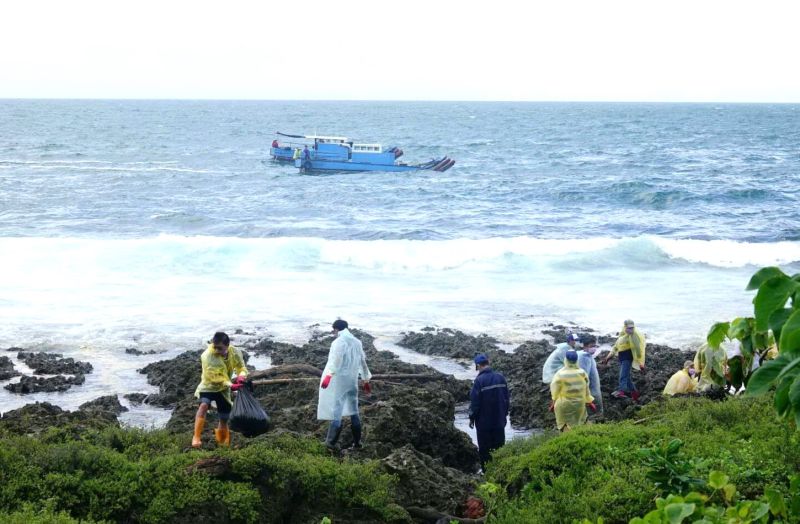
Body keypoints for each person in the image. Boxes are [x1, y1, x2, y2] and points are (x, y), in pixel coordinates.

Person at [318, 319, 372, 451]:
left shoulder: (338, 342)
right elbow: (362, 362)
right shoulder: (357, 342)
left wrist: (328, 376)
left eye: (333, 330)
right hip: (352, 382)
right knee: (354, 411)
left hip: (340, 382)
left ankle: (330, 442)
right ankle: (358, 443)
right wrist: (365, 380)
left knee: (337, 412)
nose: (333, 333)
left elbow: (336, 360)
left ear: (336, 329)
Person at [192, 332, 248, 448]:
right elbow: (215, 377)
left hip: (223, 390)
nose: (217, 350)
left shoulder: (235, 352)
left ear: (227, 345)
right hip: (208, 386)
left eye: (220, 348)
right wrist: (231, 385)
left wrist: (241, 375)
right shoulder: (208, 356)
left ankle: (222, 443)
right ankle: (196, 437)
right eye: (215, 347)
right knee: (204, 405)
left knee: (224, 418)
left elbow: (241, 367)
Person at [469, 353, 509, 471]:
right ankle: (500, 471)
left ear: (478, 366)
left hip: (484, 423)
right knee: (500, 448)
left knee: (485, 450)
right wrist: (504, 414)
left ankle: (487, 474)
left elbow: (475, 403)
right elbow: (506, 399)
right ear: (488, 362)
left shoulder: (479, 381)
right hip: (499, 421)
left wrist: (472, 417)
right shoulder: (500, 377)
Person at [550, 350, 595, 431]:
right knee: (580, 426)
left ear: (566, 360)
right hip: (579, 405)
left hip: (564, 405)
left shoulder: (560, 374)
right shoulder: (582, 373)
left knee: (565, 428)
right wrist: (590, 402)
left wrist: (553, 404)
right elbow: (586, 389)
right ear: (576, 360)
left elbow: (555, 392)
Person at [603, 319, 646, 400]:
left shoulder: (633, 336)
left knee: (623, 376)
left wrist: (640, 363)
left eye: (632, 328)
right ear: (625, 327)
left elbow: (638, 349)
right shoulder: (621, 336)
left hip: (627, 358)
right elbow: (615, 347)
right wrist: (608, 357)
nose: (631, 330)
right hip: (621, 358)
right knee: (627, 377)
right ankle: (635, 394)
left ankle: (622, 391)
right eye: (629, 328)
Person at [577, 334, 603, 414]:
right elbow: (584, 378)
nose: (594, 348)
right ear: (585, 346)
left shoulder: (584, 355)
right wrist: (588, 398)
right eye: (592, 346)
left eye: (595, 346)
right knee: (595, 413)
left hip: (592, 391)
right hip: (592, 393)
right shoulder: (585, 357)